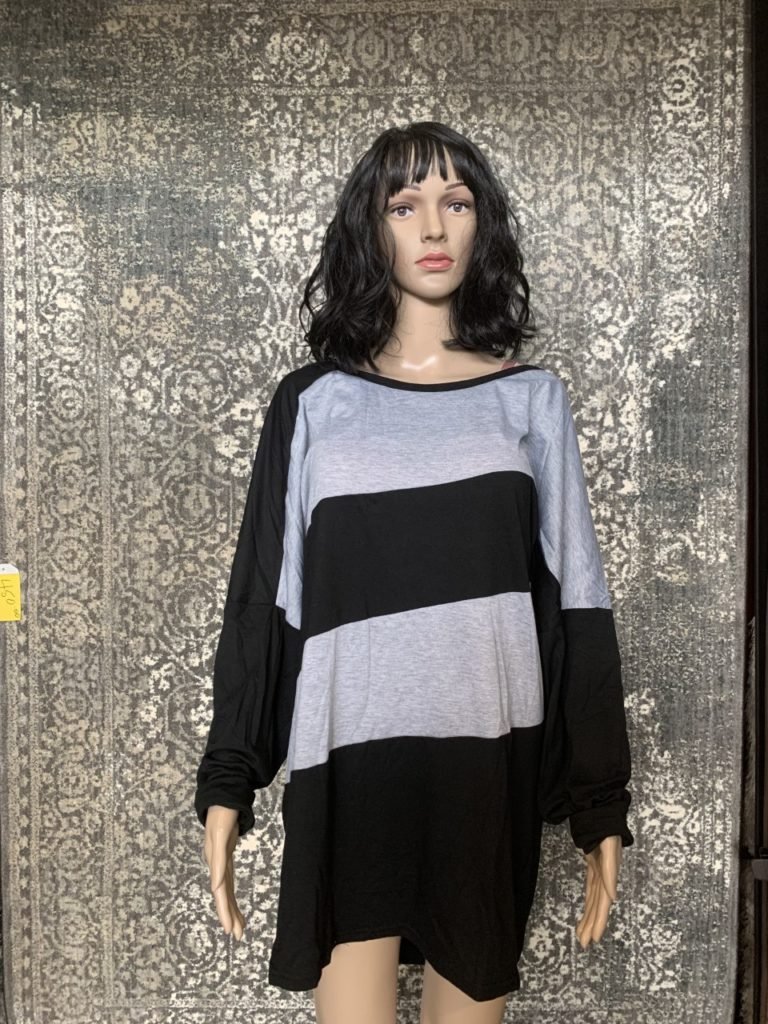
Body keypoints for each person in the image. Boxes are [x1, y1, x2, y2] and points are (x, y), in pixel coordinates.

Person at [194, 121, 634, 1024]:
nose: (433, 227)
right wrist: (230, 776)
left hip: (485, 768)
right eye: (405, 206)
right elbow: (266, 598)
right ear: (372, 226)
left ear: (482, 225)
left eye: (456, 203)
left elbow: (578, 610)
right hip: (347, 759)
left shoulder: (530, 401)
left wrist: (599, 804)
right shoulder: (313, 403)